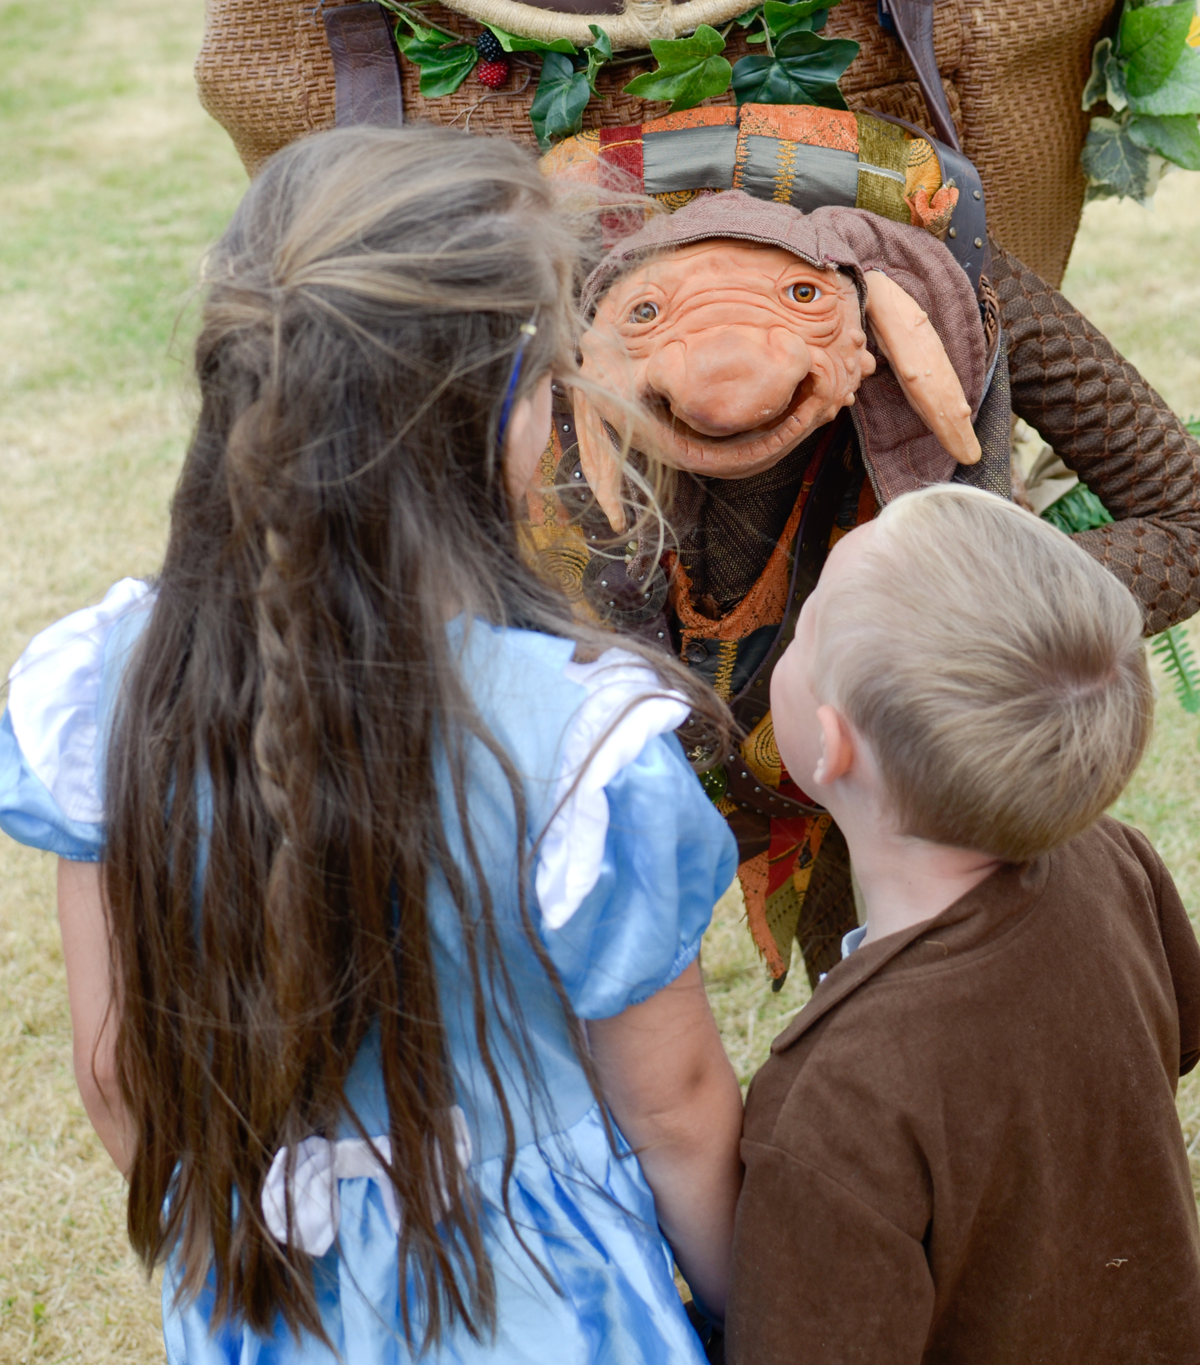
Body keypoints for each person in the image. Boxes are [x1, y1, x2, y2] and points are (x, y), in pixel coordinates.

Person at [0, 127, 743, 1362]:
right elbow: (678, 1110)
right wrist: (739, 1313)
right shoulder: (580, 747)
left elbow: (119, 1068)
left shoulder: (110, 687)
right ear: (510, 409)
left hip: (265, 1295)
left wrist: (228, 1238)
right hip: (552, 1314)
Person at [726, 483, 1200, 1364]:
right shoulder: (1117, 863)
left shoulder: (833, 1103)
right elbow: (1169, 1042)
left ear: (832, 746)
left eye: (812, 615)